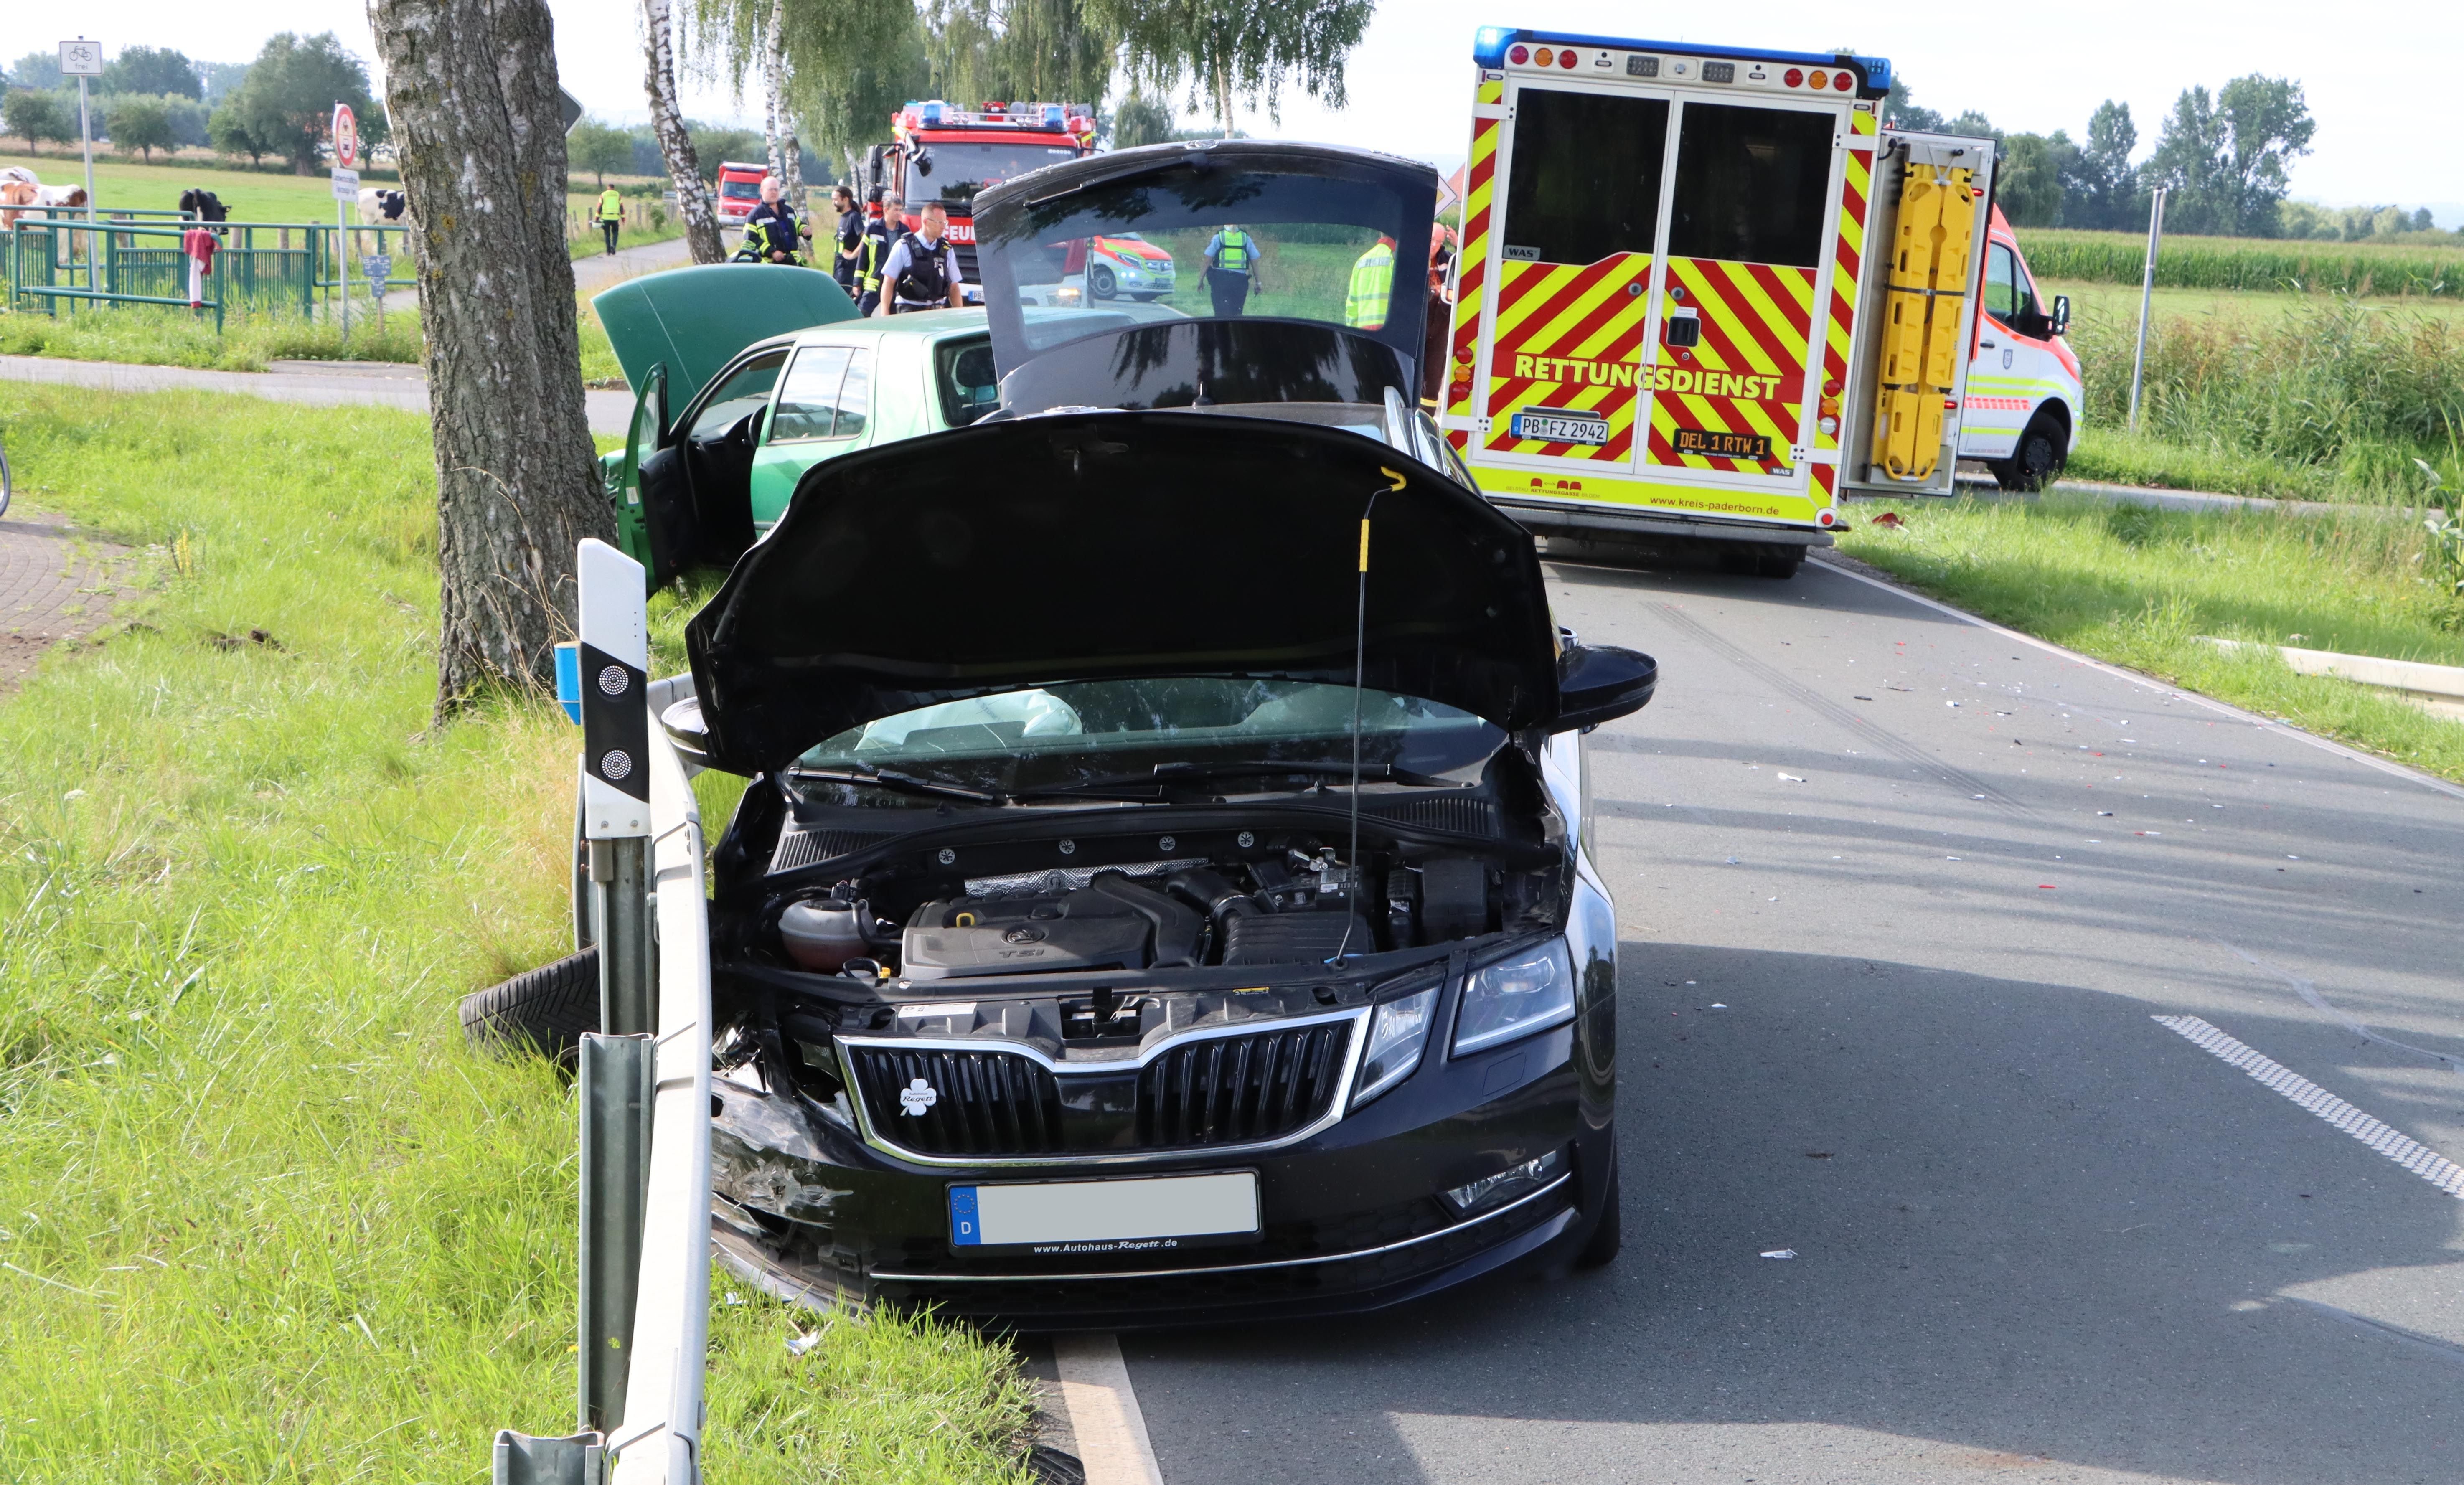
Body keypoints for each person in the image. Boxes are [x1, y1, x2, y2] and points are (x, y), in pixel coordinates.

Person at [874, 201, 964, 315]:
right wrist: (884, 313)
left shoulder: (946, 249)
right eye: (940, 222)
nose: (944, 227)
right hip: (910, 314)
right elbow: (889, 282)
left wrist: (960, 314)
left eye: (945, 222)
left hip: (938, 314)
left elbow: (954, 286)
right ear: (926, 222)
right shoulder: (904, 246)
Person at [1202, 223, 1262, 317]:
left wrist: (1201, 280)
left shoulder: (1219, 237)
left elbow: (1207, 261)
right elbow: (1254, 261)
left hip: (1220, 281)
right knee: (1237, 314)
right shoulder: (1245, 237)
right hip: (1239, 282)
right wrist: (1258, 283)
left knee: (1220, 314)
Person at [742, 176, 805, 264]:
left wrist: (804, 229)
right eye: (771, 190)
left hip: (793, 263)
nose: (774, 193)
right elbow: (751, 239)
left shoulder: (788, 211)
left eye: (776, 190)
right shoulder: (754, 215)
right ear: (762, 191)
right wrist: (772, 252)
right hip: (768, 265)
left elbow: (798, 225)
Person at [1344, 233, 1398, 332]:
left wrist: (1351, 333)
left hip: (1364, 334)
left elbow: (1352, 304)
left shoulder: (1361, 261)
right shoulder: (1396, 261)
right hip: (1388, 333)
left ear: (1381, 234)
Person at [856, 195, 897, 316]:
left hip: (894, 285)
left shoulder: (904, 231)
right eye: (896, 210)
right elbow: (863, 257)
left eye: (901, 210)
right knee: (861, 314)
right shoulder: (873, 229)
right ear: (886, 210)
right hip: (873, 283)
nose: (899, 213)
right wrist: (857, 283)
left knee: (893, 318)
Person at [830, 185, 862, 294]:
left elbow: (865, 238)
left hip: (848, 269)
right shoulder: (844, 217)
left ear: (846, 199)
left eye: (836, 200)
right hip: (839, 267)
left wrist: (853, 255)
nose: (833, 203)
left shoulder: (854, 217)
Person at [597, 184, 623, 255]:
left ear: (608, 188)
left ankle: (608, 251)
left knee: (607, 234)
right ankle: (613, 246)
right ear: (614, 188)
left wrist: (597, 218)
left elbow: (599, 208)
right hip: (615, 218)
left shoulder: (603, 195)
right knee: (615, 233)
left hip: (606, 218)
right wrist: (623, 219)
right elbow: (622, 208)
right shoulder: (618, 195)